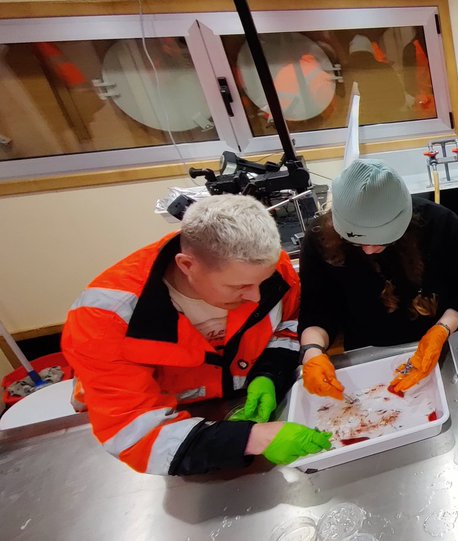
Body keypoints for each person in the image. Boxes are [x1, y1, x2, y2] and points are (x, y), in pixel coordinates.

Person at [61, 195, 330, 475]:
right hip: (179, 438)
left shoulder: (270, 270)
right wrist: (251, 439)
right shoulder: (106, 317)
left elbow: (286, 325)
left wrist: (268, 375)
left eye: (261, 282)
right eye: (240, 286)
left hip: (236, 407)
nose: (256, 296)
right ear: (187, 266)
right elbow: (134, 434)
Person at [297, 159, 458, 399]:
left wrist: (441, 329)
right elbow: (316, 311)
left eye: (380, 241)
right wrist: (312, 351)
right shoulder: (319, 239)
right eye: (356, 241)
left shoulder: (440, 224)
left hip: (441, 347)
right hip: (368, 354)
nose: (367, 250)